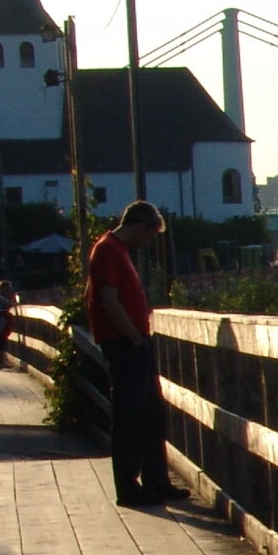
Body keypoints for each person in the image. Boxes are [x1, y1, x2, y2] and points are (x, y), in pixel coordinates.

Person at [87, 201, 177, 508]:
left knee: (151, 412)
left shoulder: (116, 250)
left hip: (132, 342)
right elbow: (109, 301)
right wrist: (135, 338)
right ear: (140, 227)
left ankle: (157, 480)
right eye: (150, 236)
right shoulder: (108, 250)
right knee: (130, 415)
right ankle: (129, 487)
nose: (148, 243)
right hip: (124, 343)